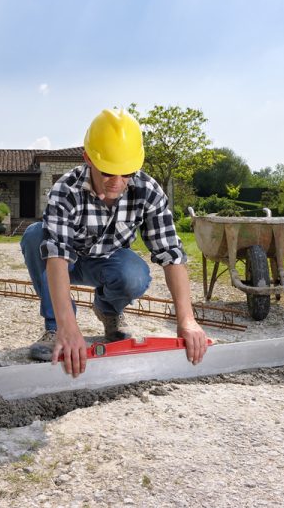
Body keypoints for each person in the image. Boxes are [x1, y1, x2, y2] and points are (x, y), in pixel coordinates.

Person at [20, 108, 208, 377]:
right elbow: (57, 256)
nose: (117, 183)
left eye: (127, 173)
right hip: (67, 262)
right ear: (88, 159)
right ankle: (55, 327)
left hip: (108, 263)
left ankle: (108, 311)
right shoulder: (66, 189)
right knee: (35, 235)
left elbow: (171, 252)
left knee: (134, 273)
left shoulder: (148, 191)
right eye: (108, 172)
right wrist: (68, 325)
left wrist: (187, 320)